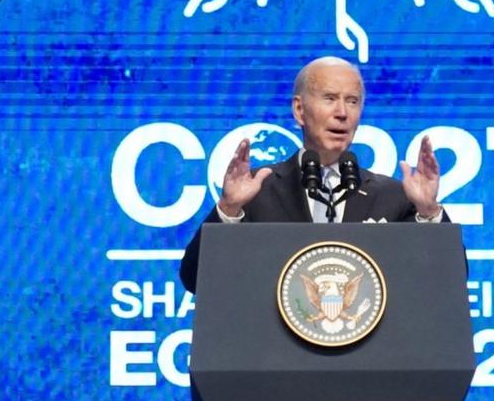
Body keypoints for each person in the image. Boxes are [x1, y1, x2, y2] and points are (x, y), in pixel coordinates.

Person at [179, 56, 447, 293]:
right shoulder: (256, 190)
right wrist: (228, 208)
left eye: (352, 101)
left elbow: (444, 283)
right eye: (330, 98)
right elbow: (194, 279)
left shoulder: (393, 197)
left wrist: (428, 212)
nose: (342, 113)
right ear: (299, 110)